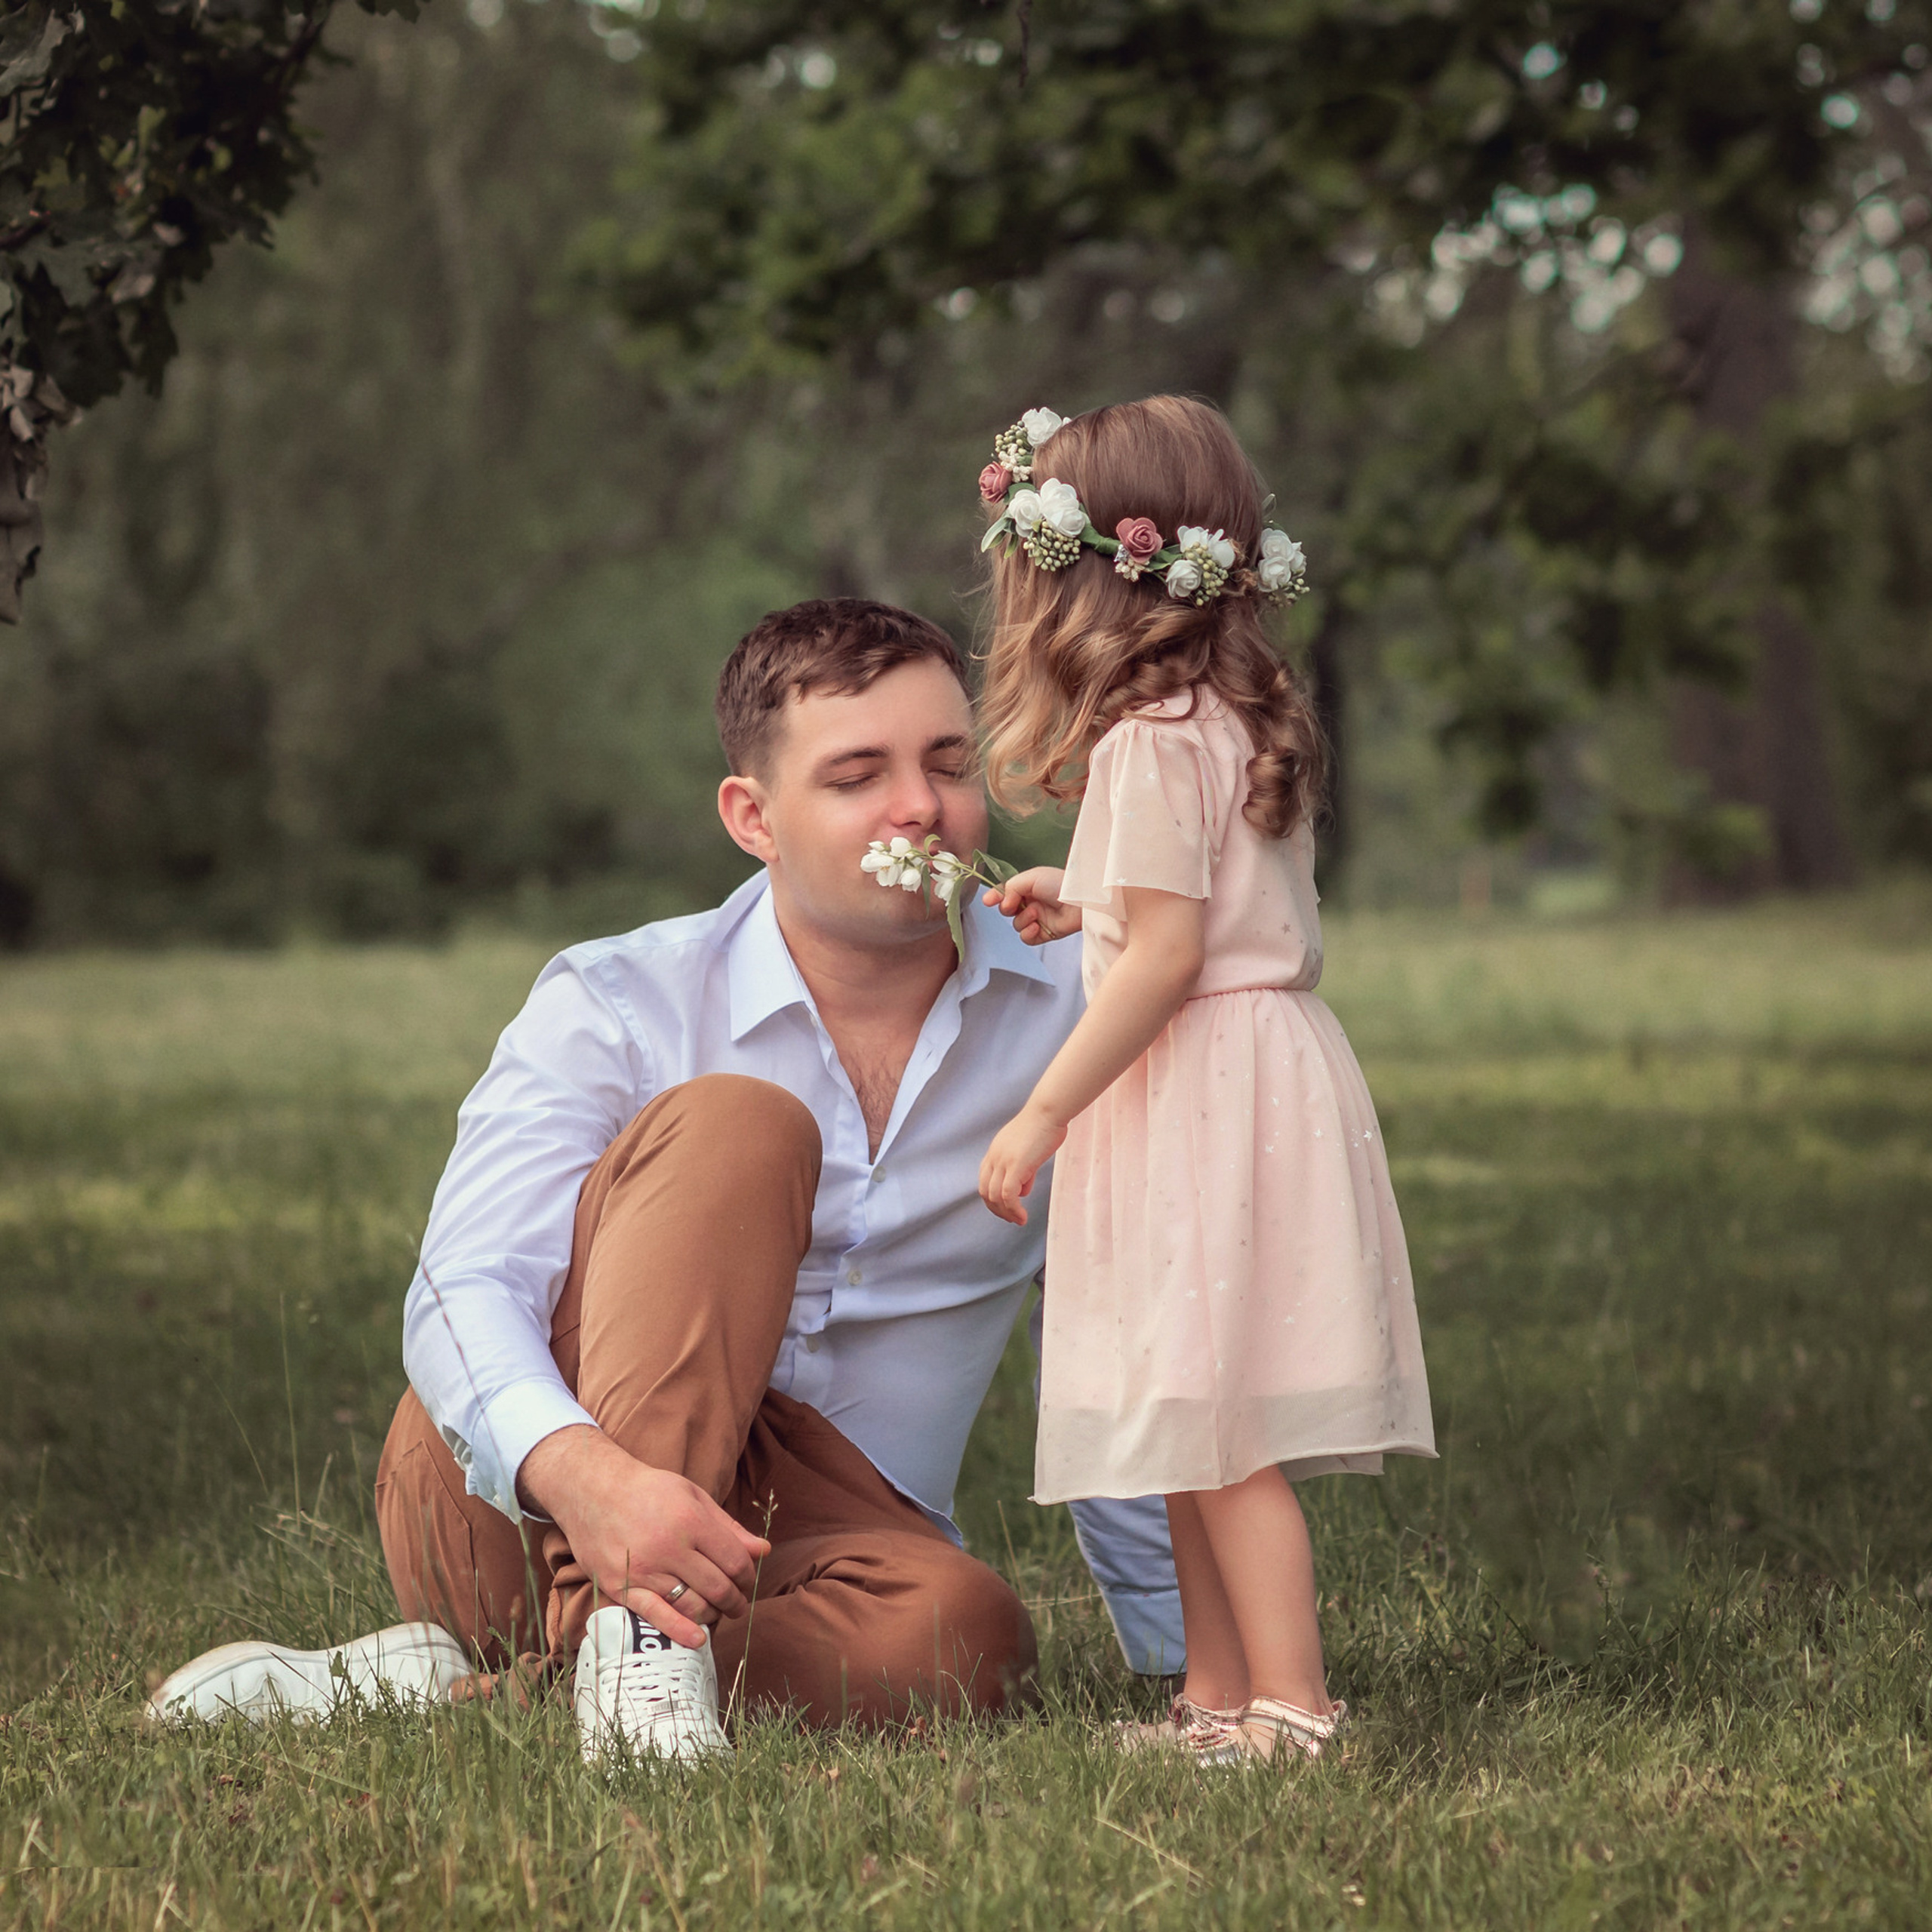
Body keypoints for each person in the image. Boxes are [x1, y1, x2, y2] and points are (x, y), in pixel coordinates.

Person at [147, 597, 1188, 1758]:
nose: (920, 807)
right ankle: (625, 1646)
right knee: (741, 1129)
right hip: (526, 1508)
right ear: (754, 817)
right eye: (856, 775)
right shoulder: (619, 998)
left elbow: (1121, 1336)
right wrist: (591, 1479)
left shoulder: (1081, 1018)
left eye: (947, 762)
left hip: (821, 1543)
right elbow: (464, 1286)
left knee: (965, 1633)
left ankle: (465, 1692)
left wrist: (1178, 1643)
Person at [970, 397, 1437, 1764]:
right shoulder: (1220, 712)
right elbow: (1179, 908)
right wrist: (1084, 893)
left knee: (1223, 1426)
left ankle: (1295, 1706)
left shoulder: (1147, 737)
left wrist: (1046, 1104)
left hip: (1197, 1090)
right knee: (1186, 1412)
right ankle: (1212, 1702)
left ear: (1089, 576)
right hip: (1238, 1074)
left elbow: (1170, 952)